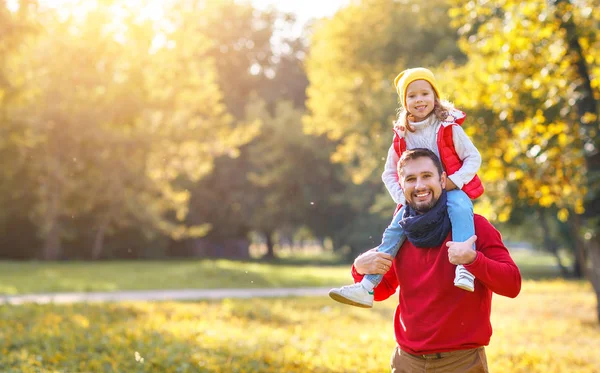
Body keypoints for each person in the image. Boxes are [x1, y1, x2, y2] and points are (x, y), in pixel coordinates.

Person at [354, 148, 521, 372]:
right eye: (411, 179)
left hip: (462, 363)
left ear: (442, 179)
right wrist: (359, 267)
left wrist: (473, 260)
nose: (420, 186)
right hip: (407, 362)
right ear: (401, 186)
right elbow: (382, 290)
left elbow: (512, 285)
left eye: (427, 176)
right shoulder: (402, 233)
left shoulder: (475, 226)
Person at [330, 67, 484, 308]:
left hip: (449, 188)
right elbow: (389, 172)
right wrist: (402, 197)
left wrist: (455, 181)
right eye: (412, 96)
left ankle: (464, 269)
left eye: (425, 93)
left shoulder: (448, 127)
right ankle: (367, 286)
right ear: (404, 102)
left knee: (461, 208)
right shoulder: (402, 134)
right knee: (394, 230)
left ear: (435, 96)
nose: (419, 100)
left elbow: (473, 158)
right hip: (418, 197)